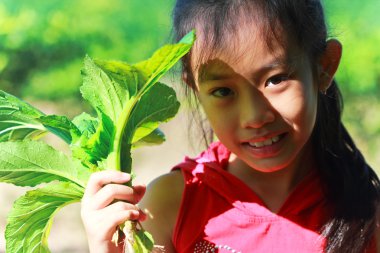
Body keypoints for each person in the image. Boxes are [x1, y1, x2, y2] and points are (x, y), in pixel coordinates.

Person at [80, 0, 380, 252]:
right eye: (223, 91)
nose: (253, 116)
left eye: (275, 80)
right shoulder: (167, 206)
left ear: (324, 67)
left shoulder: (368, 215)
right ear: (196, 90)